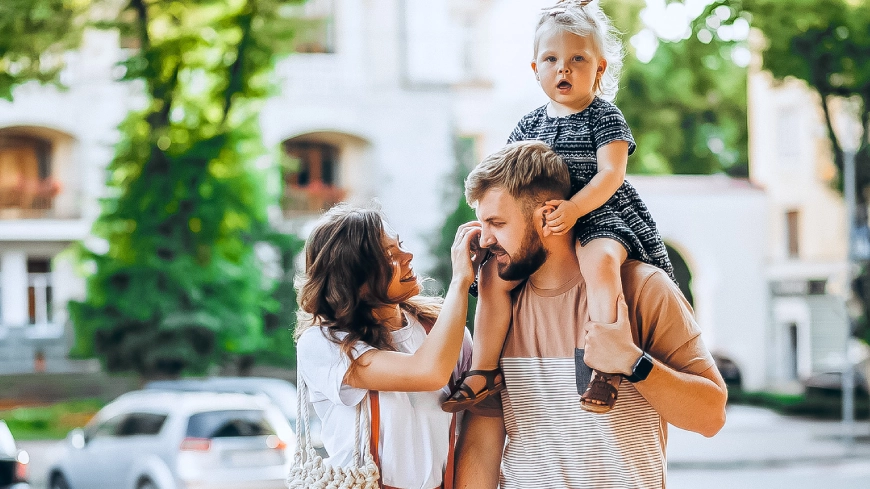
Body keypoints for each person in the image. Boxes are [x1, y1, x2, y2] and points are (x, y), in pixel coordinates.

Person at [443, 0, 675, 415]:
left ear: (599, 68)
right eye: (551, 59)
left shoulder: (604, 116)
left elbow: (610, 175)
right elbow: (503, 179)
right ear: (536, 69)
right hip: (542, 221)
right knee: (495, 278)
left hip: (599, 212)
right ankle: (483, 369)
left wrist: (573, 208)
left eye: (576, 59)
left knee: (600, 264)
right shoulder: (528, 125)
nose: (563, 69)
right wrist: (490, 226)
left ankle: (602, 365)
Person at [453, 140, 727, 488]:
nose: (486, 239)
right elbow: (482, 440)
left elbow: (711, 417)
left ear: (547, 216)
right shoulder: (498, 304)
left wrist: (634, 363)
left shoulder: (642, 288)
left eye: (497, 222)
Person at [294, 204, 482, 489]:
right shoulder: (324, 343)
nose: (408, 257)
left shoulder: (437, 330)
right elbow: (427, 373)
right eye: (389, 256)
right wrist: (460, 281)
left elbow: (475, 423)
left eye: (401, 246)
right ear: (354, 279)